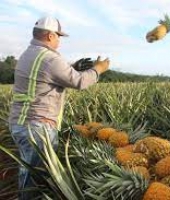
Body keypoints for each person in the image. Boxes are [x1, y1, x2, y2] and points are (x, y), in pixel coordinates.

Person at [8, 16, 110, 199]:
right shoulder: (49, 58)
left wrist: (72, 67)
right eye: (58, 37)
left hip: (22, 123)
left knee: (30, 172)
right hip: (37, 128)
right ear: (49, 36)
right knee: (34, 178)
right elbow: (79, 81)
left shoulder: (29, 53)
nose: (59, 41)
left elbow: (46, 76)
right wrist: (99, 69)